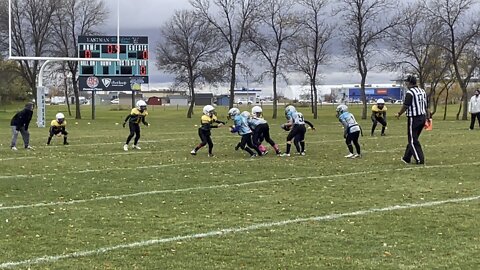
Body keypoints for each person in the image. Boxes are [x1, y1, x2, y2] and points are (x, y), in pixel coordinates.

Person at [395, 75, 429, 165]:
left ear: (410, 83)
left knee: (412, 140)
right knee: (414, 138)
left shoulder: (410, 93)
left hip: (414, 118)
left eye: (406, 82)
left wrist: (399, 113)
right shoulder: (422, 91)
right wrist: (428, 117)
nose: (405, 83)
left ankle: (419, 159)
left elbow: (406, 105)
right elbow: (426, 106)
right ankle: (406, 158)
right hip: (422, 116)